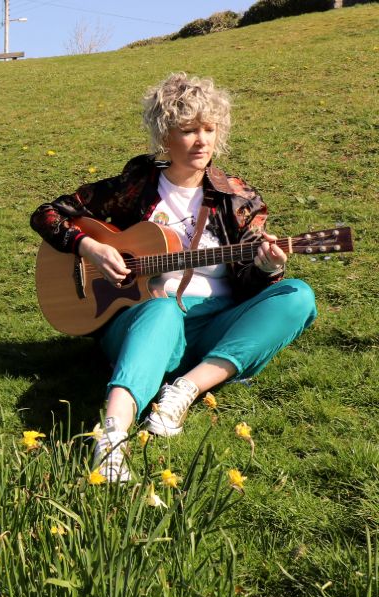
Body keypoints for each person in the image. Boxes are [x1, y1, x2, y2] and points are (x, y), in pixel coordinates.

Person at [29, 72, 318, 482]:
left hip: (214, 322)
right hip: (142, 319)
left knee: (297, 296)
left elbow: (250, 283)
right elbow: (47, 214)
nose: (202, 141)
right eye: (188, 130)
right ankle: (110, 441)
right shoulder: (135, 186)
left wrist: (268, 267)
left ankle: (184, 390)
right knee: (163, 309)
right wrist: (89, 246)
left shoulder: (238, 198)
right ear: (165, 135)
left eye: (209, 129)